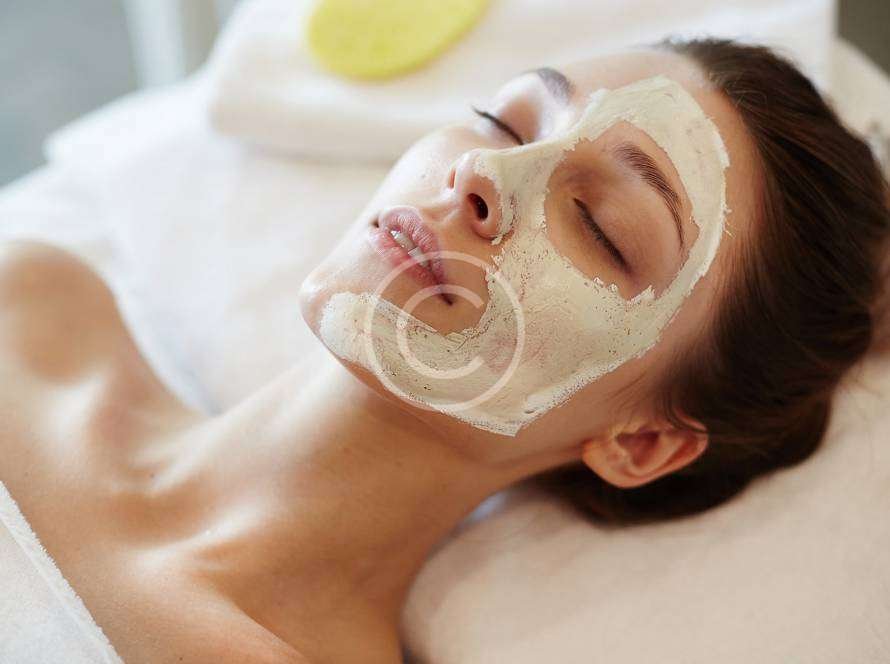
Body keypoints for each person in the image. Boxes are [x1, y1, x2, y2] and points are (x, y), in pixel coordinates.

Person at [0, 39, 886, 663]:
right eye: (505, 124)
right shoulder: (30, 303)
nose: (483, 174)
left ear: (642, 442)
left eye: (601, 225)